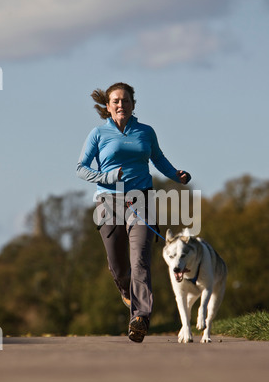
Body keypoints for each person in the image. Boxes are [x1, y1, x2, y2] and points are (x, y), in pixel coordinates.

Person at [77, 82, 191, 342]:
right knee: (118, 266)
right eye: (115, 101)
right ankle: (127, 291)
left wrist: (177, 175)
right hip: (108, 201)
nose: (121, 105)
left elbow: (158, 158)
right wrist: (106, 176)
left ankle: (140, 317)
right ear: (107, 106)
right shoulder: (98, 134)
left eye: (125, 100)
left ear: (133, 104)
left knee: (140, 257)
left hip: (142, 198)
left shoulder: (145, 132)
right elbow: (81, 168)